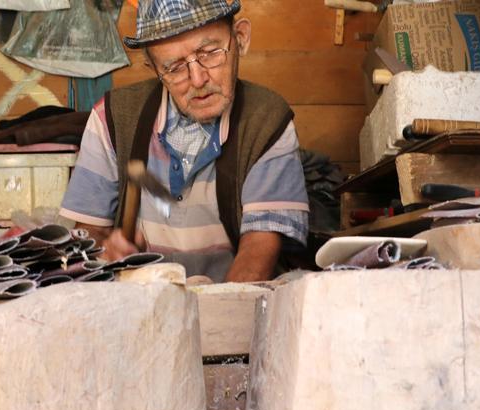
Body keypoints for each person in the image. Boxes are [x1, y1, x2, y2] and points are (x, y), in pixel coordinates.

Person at [59, 0, 309, 282]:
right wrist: (105, 250)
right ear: (153, 68)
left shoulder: (267, 121)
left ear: (240, 39)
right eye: (174, 67)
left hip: (231, 302)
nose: (198, 79)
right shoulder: (112, 119)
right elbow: (88, 234)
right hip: (141, 307)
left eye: (210, 52)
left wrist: (216, 319)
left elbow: (258, 251)